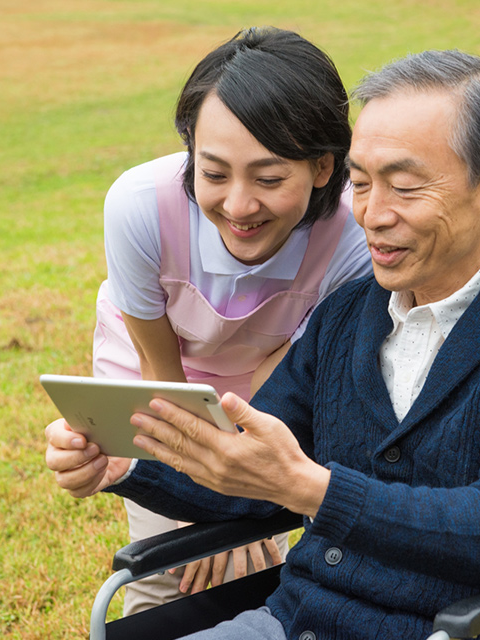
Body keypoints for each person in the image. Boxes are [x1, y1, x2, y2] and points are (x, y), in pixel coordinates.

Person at [47, 49, 480, 639]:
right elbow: (250, 465)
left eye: (403, 186)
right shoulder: (348, 316)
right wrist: (127, 463)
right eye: (361, 184)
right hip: (293, 622)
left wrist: (314, 489)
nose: (372, 215)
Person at [85, 27, 371, 615]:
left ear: (322, 166)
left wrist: (237, 491)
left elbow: (293, 373)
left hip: (271, 387)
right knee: (169, 572)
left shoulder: (351, 237)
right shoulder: (139, 204)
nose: (238, 205)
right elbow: (159, 373)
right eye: (213, 174)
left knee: (255, 561)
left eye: (268, 179)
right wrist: (197, 498)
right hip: (157, 382)